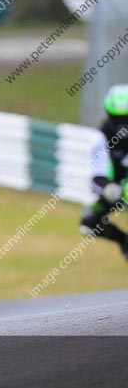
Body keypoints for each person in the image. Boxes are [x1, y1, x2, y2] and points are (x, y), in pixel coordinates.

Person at [79, 85, 128, 260]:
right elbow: (96, 177)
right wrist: (108, 188)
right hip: (117, 189)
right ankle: (123, 240)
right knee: (88, 222)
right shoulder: (99, 138)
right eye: (118, 118)